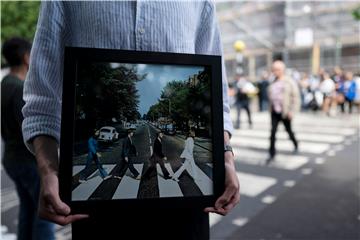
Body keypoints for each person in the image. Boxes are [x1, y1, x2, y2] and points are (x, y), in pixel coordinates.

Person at [22, 2, 240, 239]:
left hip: (186, 213)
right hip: (98, 215)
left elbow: (217, 98)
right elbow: (43, 100)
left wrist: (226, 157)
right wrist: (48, 171)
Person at [1, 37, 55, 240]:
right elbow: (31, 130)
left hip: (10, 159)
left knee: (27, 209)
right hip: (28, 162)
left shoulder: (5, 83)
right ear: (26, 57)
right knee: (45, 215)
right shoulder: (20, 89)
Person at [266, 60, 300, 164]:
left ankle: (295, 144)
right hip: (275, 112)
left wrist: (292, 112)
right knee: (272, 133)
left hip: (285, 112)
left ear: (282, 70)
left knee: (289, 131)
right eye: (274, 69)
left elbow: (296, 98)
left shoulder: (289, 81)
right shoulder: (273, 82)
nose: (275, 71)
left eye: (277, 69)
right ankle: (272, 153)